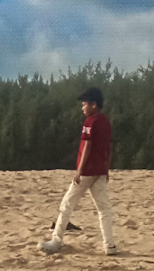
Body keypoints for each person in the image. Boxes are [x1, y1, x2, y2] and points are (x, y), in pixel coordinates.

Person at [38, 86, 116, 255]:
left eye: (84, 104)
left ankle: (56, 240)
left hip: (87, 171)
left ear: (93, 104)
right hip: (100, 171)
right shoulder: (106, 121)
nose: (82, 107)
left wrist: (79, 171)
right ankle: (109, 244)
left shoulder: (90, 122)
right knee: (104, 209)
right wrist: (106, 168)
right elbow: (110, 146)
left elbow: (87, 146)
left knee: (67, 204)